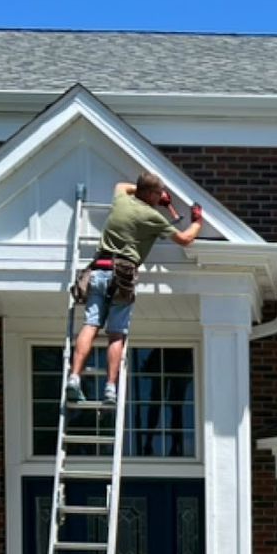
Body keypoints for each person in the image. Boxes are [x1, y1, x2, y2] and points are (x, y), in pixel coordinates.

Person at [65, 172, 201, 405]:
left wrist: (154, 194)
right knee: (116, 333)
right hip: (123, 275)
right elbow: (185, 239)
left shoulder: (121, 200)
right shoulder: (152, 217)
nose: (160, 198)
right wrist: (197, 221)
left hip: (98, 270)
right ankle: (110, 388)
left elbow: (122, 185)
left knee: (91, 325)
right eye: (158, 194)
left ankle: (74, 378)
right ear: (150, 194)